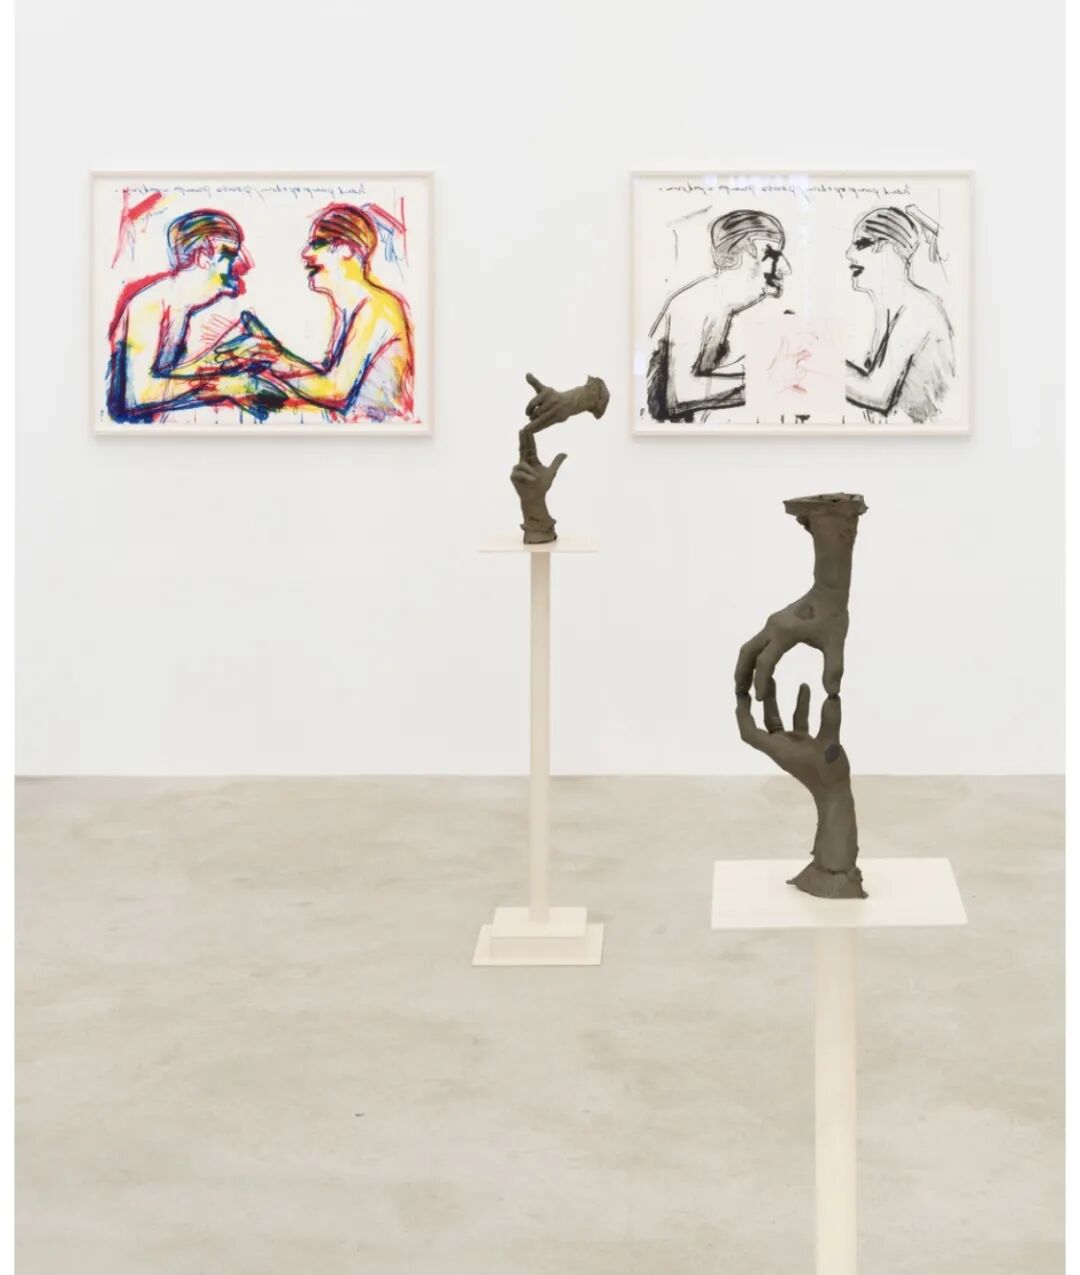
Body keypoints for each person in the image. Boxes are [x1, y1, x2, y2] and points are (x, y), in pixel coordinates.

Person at [215, 204, 415, 420]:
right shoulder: (349, 311)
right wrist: (269, 355)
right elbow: (326, 380)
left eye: (318, 243)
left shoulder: (377, 307)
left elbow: (335, 391)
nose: (306, 253)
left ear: (347, 249)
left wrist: (272, 356)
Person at [106, 210, 280, 422]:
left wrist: (225, 358)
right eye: (229, 256)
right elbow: (139, 396)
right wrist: (226, 386)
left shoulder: (179, 307)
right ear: (203, 258)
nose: (241, 266)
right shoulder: (149, 305)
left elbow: (169, 377)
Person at [647, 209, 791, 422]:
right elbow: (681, 395)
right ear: (735, 256)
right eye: (772, 255)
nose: (785, 268)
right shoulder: (692, 303)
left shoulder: (731, 311)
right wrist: (770, 382)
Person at [844, 206, 955, 423]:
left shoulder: (917, 310)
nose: (849, 253)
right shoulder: (890, 308)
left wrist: (820, 359)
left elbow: (877, 395)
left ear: (893, 249)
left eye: (862, 244)